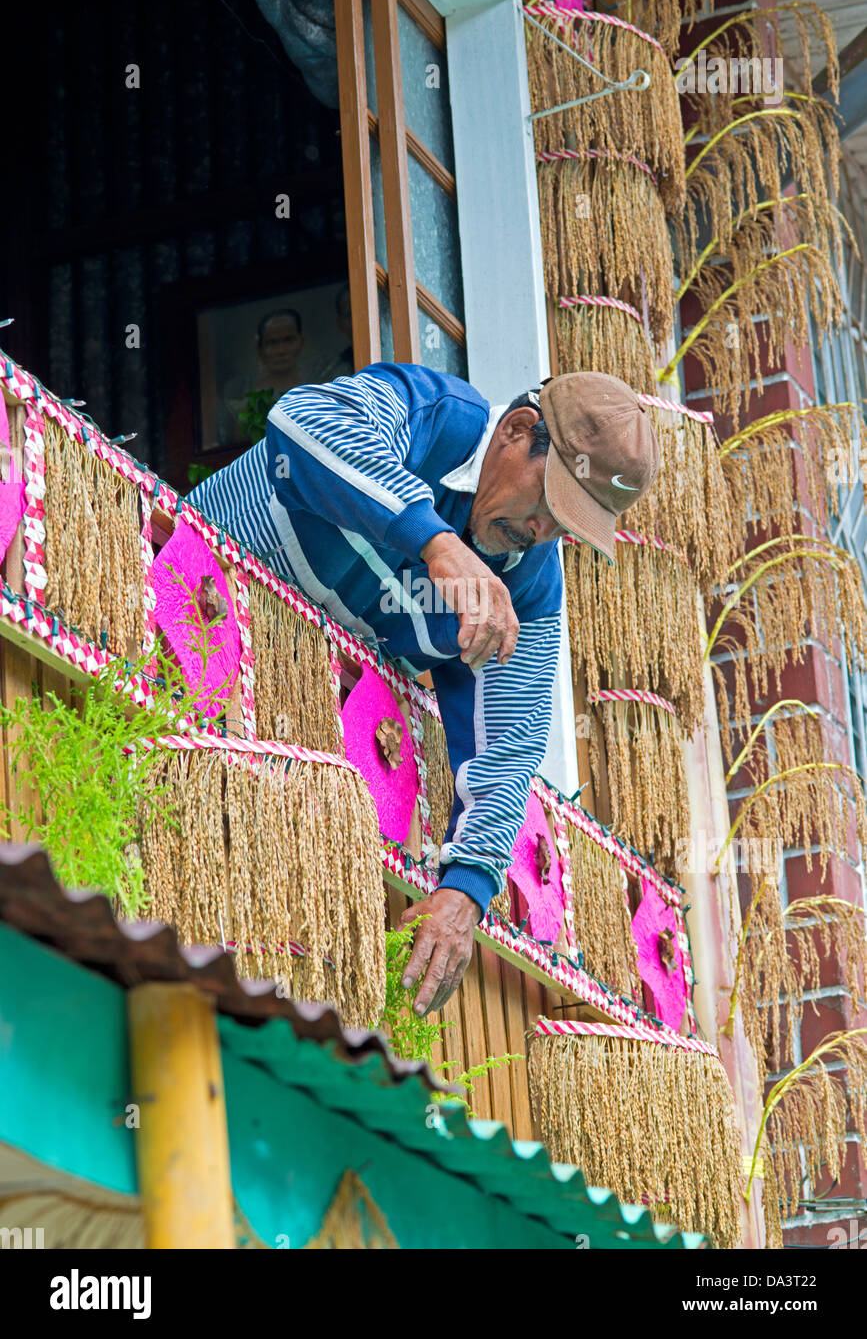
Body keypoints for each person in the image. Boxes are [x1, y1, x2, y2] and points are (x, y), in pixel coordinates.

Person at [186, 364, 660, 1015]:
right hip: (175, 624)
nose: (542, 532)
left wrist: (465, 890)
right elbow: (300, 421)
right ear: (519, 432)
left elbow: (508, 752)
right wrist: (436, 542)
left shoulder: (532, 588)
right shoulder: (434, 413)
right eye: (548, 505)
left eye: (566, 526)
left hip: (263, 746)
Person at [221, 309, 306, 440]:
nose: (281, 351)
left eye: (288, 340)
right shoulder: (239, 390)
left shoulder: (320, 381)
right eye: (272, 343)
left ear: (301, 341)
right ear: (259, 347)